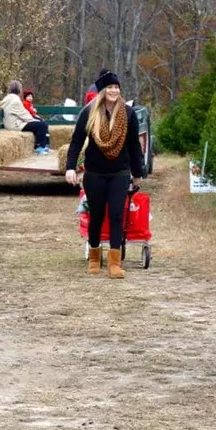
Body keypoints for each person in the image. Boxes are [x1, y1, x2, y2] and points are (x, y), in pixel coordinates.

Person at [65, 69, 145, 280]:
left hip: (119, 172)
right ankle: (94, 257)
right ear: (101, 91)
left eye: (116, 88)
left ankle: (115, 263)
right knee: (97, 215)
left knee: (118, 214)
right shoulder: (89, 112)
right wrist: (70, 167)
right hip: (95, 173)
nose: (113, 91)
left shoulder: (128, 114)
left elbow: (134, 145)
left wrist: (138, 173)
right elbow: (76, 142)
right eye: (109, 87)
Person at [1, 80, 51, 155]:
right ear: (19, 90)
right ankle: (39, 148)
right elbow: (24, 115)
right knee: (42, 125)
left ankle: (43, 146)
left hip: (11, 122)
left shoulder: (7, 98)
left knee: (40, 124)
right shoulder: (15, 101)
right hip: (15, 125)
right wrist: (35, 120)